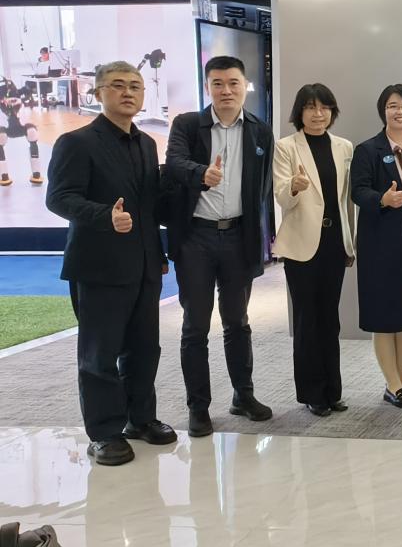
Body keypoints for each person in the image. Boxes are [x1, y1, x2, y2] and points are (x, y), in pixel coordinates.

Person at [45, 61, 175, 465]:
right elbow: (59, 198)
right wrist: (105, 216)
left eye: (135, 86)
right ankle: (104, 433)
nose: (128, 92)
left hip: (144, 265)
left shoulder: (147, 143)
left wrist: (159, 252)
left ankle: (141, 419)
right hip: (98, 266)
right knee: (99, 356)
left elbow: (149, 205)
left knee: (144, 349)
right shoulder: (76, 142)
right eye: (118, 85)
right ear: (98, 92)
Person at [163, 55, 274, 438]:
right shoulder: (188, 124)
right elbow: (173, 162)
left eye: (233, 83)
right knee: (195, 326)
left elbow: (261, 187)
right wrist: (202, 174)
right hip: (196, 237)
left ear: (245, 87)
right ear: (207, 86)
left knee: (237, 322)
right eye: (218, 83)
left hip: (238, 237)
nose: (226, 90)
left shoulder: (259, 130)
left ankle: (244, 395)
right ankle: (198, 407)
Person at [273, 83, 355, 417]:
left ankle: (332, 390)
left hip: (334, 242)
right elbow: (281, 196)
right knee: (307, 319)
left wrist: (350, 241)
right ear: (300, 112)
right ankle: (312, 393)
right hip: (301, 245)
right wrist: (293, 186)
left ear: (332, 111)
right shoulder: (286, 147)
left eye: (324, 107)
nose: (318, 114)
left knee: (329, 319)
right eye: (310, 107)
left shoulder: (344, 146)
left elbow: (345, 200)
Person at [352, 83, 402, 409]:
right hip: (381, 238)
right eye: (393, 105)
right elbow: (357, 191)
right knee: (385, 312)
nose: (400, 111)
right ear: (383, 111)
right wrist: (381, 199)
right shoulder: (368, 149)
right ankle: (392, 383)